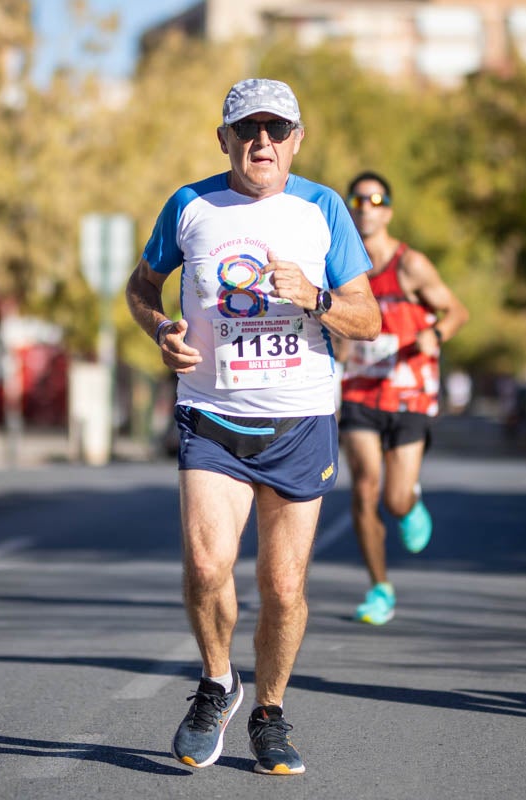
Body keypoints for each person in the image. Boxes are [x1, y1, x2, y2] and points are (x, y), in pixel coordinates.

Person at [124, 78, 380, 776]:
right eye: (247, 129)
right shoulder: (190, 204)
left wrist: (318, 296)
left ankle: (269, 710)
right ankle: (216, 683)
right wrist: (161, 330)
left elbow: (369, 317)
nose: (260, 142)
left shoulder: (324, 208)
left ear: (297, 138)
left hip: (299, 418)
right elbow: (141, 286)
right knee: (208, 565)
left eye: (276, 129)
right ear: (224, 138)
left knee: (283, 585)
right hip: (211, 414)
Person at [334, 171, 470, 626]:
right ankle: (379, 588)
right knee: (364, 487)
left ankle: (409, 501)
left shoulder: (410, 265)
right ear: (350, 209)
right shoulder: (339, 266)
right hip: (359, 391)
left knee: (392, 499)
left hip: (409, 393)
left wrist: (435, 333)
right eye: (359, 200)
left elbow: (457, 311)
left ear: (388, 210)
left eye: (377, 200)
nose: (367, 207)